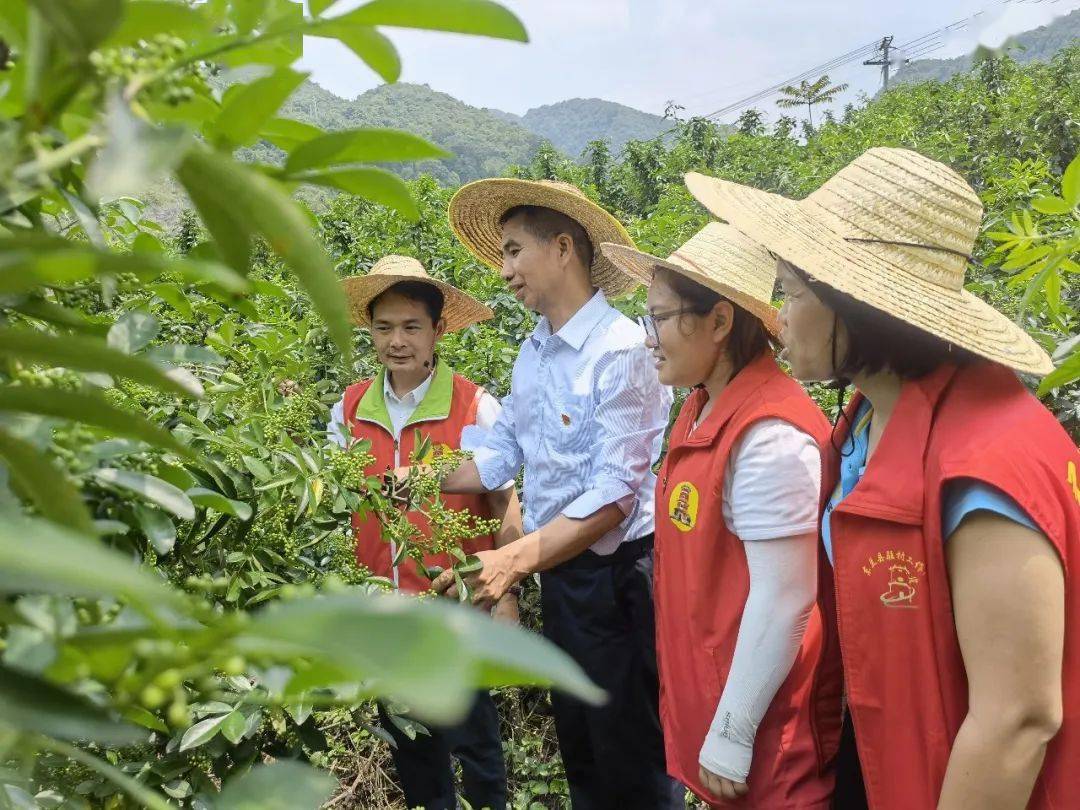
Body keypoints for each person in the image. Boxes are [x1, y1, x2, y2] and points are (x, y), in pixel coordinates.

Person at [684, 147, 1079, 810]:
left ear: (856, 305)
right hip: (889, 750)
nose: (779, 317)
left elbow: (1016, 720)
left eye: (792, 292)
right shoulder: (870, 418)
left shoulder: (986, 466)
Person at [422, 179, 682, 809]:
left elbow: (616, 493)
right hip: (561, 575)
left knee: (634, 765)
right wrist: (415, 477)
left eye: (514, 251)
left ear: (563, 248)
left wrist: (512, 560)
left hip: (618, 583)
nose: (504, 271)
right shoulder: (533, 353)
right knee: (584, 758)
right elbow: (500, 454)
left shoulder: (621, 351)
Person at [599, 223, 839, 808]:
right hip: (718, 711)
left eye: (659, 318)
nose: (648, 338)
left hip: (769, 737)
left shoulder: (769, 437)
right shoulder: (703, 405)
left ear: (720, 321)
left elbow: (785, 598)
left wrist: (733, 730)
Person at [328, 254, 522, 810]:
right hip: (387, 610)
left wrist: (506, 596)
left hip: (459, 604)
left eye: (412, 327)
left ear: (438, 330)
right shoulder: (348, 409)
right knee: (413, 748)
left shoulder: (474, 405)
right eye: (384, 327)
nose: (397, 341)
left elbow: (504, 500)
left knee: (476, 745)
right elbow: (337, 506)